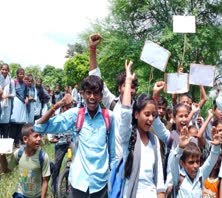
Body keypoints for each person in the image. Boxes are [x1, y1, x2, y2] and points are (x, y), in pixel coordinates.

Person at [33, 75, 116, 198]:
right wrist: (58, 104)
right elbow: (40, 126)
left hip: (100, 184)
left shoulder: (109, 117)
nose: (92, 97)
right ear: (82, 94)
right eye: (88, 93)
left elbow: (112, 154)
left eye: (96, 93)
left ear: (101, 96)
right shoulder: (76, 114)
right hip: (79, 183)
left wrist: (113, 181)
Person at [88, 33, 138, 161]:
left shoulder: (139, 108)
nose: (129, 89)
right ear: (119, 88)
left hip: (133, 162)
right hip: (113, 161)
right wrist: (92, 50)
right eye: (126, 85)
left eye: (132, 87)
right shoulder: (112, 103)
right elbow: (96, 79)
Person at [120, 60, 165, 197]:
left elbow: (159, 178)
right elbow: (125, 112)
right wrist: (128, 81)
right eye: (147, 114)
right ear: (136, 114)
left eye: (153, 115)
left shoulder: (154, 140)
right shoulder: (128, 137)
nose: (151, 119)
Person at [168, 125, 221, 198]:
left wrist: (216, 146)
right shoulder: (178, 177)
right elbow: (173, 161)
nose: (195, 166)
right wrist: (180, 147)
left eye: (197, 161)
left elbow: (211, 161)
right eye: (191, 162)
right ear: (182, 163)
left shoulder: (201, 174)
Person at [0, 124, 51, 198]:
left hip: (36, 195)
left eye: (40, 135)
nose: (39, 138)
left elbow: (45, 182)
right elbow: (6, 170)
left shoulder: (43, 157)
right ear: (25, 139)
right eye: (36, 136)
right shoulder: (18, 154)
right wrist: (2, 157)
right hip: (20, 193)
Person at [10, 68, 29, 147]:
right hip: (15, 103)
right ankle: (11, 142)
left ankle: (17, 142)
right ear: (17, 74)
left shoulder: (25, 83)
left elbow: (26, 93)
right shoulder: (13, 82)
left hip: (22, 104)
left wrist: (27, 98)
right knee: (14, 123)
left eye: (23, 73)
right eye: (20, 73)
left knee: (20, 123)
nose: (21, 75)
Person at [0, 63, 14, 138]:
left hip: (6, 106)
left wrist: (6, 96)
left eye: (6, 70)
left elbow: (13, 94)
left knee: (5, 128)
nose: (4, 71)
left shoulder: (11, 81)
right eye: (3, 69)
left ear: (8, 71)